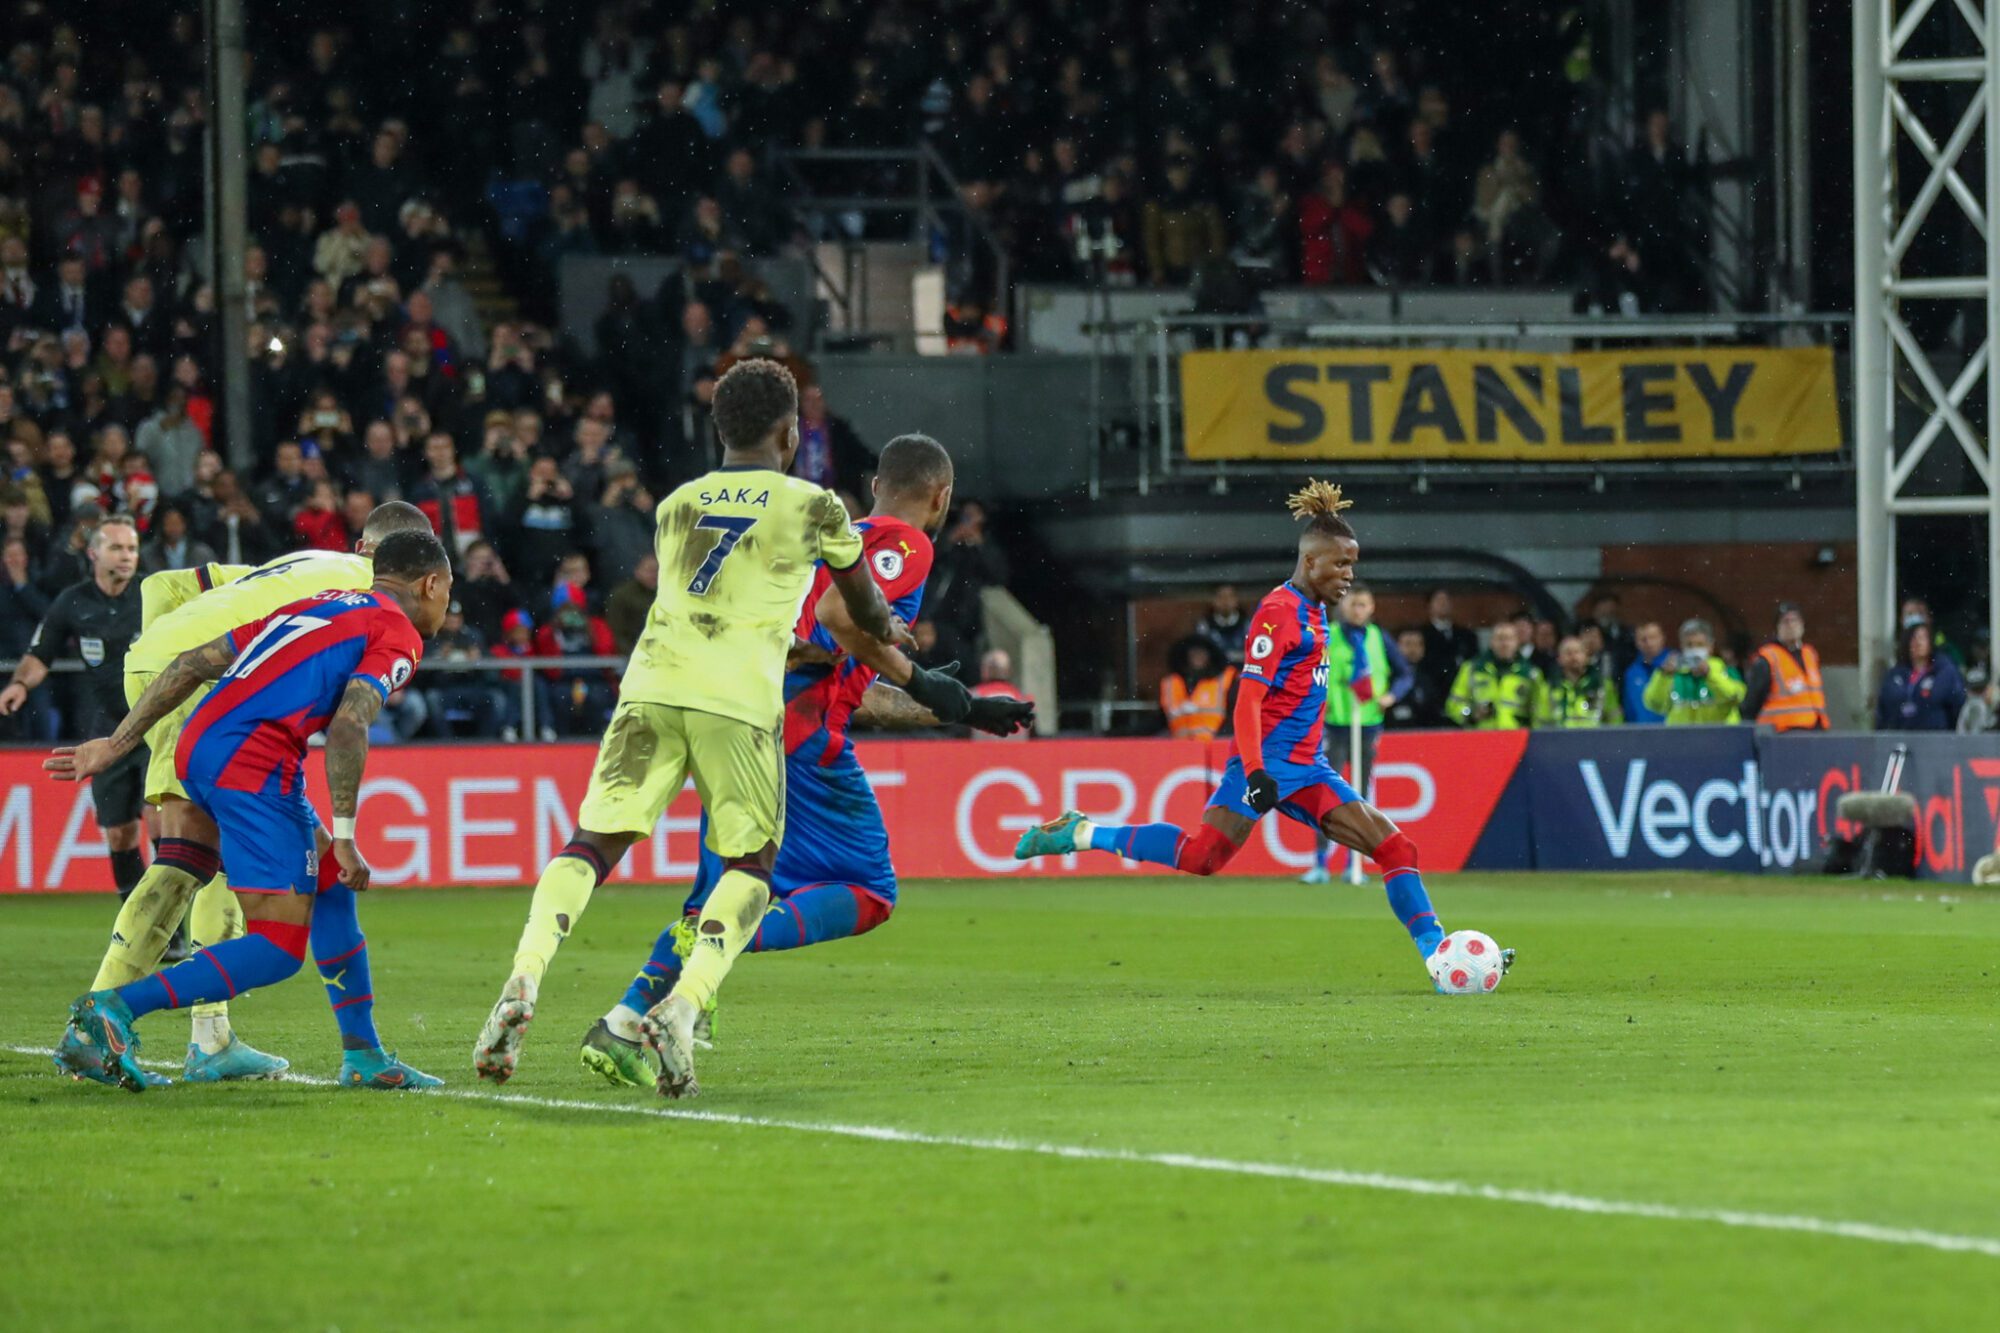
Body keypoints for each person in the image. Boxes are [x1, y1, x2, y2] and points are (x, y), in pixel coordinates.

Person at [473, 359, 912, 1098]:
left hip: (650, 686)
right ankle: (681, 1009)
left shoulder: (676, 504)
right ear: (789, 432)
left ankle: (525, 974)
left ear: (718, 429)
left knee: (591, 843)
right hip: (735, 700)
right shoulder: (814, 504)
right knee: (751, 865)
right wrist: (889, 629)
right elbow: (861, 605)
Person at [577, 435, 1033, 1088]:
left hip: (729, 719)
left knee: (721, 891)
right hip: (796, 738)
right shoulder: (904, 544)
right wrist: (923, 678)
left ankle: (623, 1024)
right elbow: (840, 619)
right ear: (942, 496)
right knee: (869, 891)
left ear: (874, 485)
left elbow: (848, 681)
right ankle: (702, 968)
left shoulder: (819, 546)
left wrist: (960, 707)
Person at [1014, 482, 1504, 990]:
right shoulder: (1278, 613)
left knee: (1397, 849)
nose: (1349, 576)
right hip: (1265, 765)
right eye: (1341, 565)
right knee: (1201, 858)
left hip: (1309, 768)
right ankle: (1083, 833)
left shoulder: (1317, 611)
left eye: (1353, 565)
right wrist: (1253, 772)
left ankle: (1437, 959)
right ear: (1311, 562)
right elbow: (1247, 701)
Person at [50, 528, 455, 1094]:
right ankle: (112, 1010)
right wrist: (344, 834)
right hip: (253, 759)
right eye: (448, 592)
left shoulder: (318, 604)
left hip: (205, 742)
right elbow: (349, 725)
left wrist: (116, 745)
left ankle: (364, 1054)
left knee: (327, 880)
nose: (446, 606)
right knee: (279, 947)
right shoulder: (397, 632)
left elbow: (194, 662)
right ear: (430, 584)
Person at [1, 518, 148, 902]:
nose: (127, 556)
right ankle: (139, 924)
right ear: (93, 553)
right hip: (108, 730)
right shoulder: (73, 602)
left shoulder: (153, 594)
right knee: (120, 835)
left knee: (167, 826)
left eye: (132, 549)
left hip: (157, 725)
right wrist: (19, 684)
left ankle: (173, 927)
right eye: (117, 548)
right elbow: (40, 653)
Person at [1306, 583, 1414, 884]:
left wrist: (1391, 696)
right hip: (1334, 724)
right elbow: (1308, 672)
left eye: (1363, 605)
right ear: (1343, 606)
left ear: (1372, 607)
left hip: (1367, 723)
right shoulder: (1327, 635)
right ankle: (1320, 863)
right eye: (1353, 604)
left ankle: (1353, 864)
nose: (1357, 610)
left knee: (1360, 796)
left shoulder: (1379, 638)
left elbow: (1405, 674)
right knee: (1327, 794)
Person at [1743, 602, 1829, 731]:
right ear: (1777, 627)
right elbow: (1751, 704)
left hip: (1815, 729)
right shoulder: (1768, 658)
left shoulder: (1810, 654)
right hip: (1783, 732)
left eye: (1795, 620)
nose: (1791, 625)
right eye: (1785, 621)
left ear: (1802, 624)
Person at [1643, 618, 1747, 724]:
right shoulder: (1673, 675)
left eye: (1700, 645)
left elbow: (1734, 697)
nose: (1694, 650)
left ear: (1710, 646)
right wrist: (1663, 676)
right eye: (1689, 645)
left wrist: (1710, 675)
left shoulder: (1726, 671)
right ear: (1682, 646)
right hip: (1681, 734)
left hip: (1718, 733)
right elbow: (1654, 704)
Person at [1447, 621, 1540, 729]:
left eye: (1509, 639)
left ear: (1517, 642)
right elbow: (1453, 705)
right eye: (1500, 638)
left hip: (1515, 736)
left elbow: (1539, 712)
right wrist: (1470, 713)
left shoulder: (1530, 673)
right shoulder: (1472, 669)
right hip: (1481, 735)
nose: (1504, 644)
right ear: (1491, 642)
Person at [1876, 622, 1966, 731]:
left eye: (1923, 638)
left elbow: (1957, 704)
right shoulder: (1895, 675)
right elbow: (1883, 710)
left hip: (1935, 736)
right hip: (1900, 736)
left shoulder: (1944, 672)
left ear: (1930, 642)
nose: (1918, 642)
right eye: (1913, 638)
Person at [1535, 636, 1622, 727]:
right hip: (1561, 736)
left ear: (1587, 657)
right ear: (1559, 659)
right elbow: (1541, 724)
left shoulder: (1602, 685)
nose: (1573, 657)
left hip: (1594, 735)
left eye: (1577, 652)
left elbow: (1615, 720)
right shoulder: (1549, 688)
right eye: (1568, 653)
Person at [1160, 635, 1235, 740]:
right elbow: (1161, 718)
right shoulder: (1171, 682)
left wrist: (1221, 737)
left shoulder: (1225, 679)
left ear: (1209, 656)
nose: (1197, 657)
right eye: (1194, 653)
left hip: (1215, 743)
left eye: (1201, 653)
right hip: (1180, 744)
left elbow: (1234, 714)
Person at [1419, 588, 1478, 698]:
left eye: (1446, 600)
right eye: (1438, 601)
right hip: (1432, 690)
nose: (1443, 604)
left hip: (1460, 689)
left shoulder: (1466, 635)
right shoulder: (1422, 634)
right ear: (1429, 606)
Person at [1385, 628, 1446, 728]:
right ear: (1396, 646)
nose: (1413, 649)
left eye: (1418, 644)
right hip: (1393, 731)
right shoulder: (1387, 676)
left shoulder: (1430, 676)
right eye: (1408, 644)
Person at [970, 648, 1033, 740]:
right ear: (1008, 671)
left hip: (981, 749)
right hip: (1017, 749)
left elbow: (958, 736)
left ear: (985, 671)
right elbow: (1034, 739)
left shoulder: (971, 697)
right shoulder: (1024, 699)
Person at [1623, 621, 1671, 723]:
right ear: (1636, 642)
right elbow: (1629, 709)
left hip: (1673, 729)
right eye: (1643, 639)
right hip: (1640, 731)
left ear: (1662, 638)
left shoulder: (1676, 666)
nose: (1649, 643)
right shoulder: (1631, 672)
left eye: (1653, 638)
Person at [1194, 584, 1249, 668]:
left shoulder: (1248, 625)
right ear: (1213, 600)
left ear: (1236, 600)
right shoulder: (1204, 626)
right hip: (1214, 672)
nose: (1225, 601)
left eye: (1230, 596)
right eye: (1220, 597)